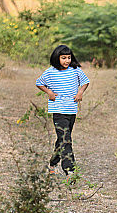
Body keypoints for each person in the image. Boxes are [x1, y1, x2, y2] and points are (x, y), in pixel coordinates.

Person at [35, 45, 90, 176]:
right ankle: (70, 170)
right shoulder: (50, 72)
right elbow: (39, 82)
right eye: (63, 58)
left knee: (62, 139)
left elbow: (85, 82)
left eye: (69, 58)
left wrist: (80, 92)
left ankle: (53, 163)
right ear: (57, 58)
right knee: (66, 139)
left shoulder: (75, 70)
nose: (67, 61)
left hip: (71, 109)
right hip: (58, 110)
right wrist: (49, 92)